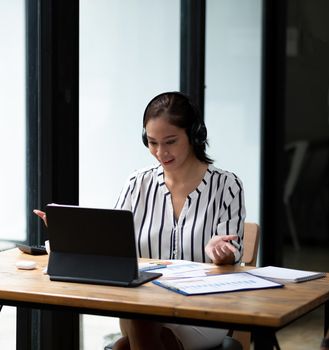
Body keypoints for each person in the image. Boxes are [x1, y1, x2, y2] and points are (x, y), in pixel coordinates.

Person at [35, 91, 246, 350]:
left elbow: (232, 257)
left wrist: (221, 253)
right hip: (143, 306)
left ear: (194, 135)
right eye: (152, 142)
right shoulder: (138, 183)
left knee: (128, 345)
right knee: (143, 315)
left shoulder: (227, 185)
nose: (160, 152)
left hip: (203, 311)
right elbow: (111, 243)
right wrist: (71, 233)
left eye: (170, 141)